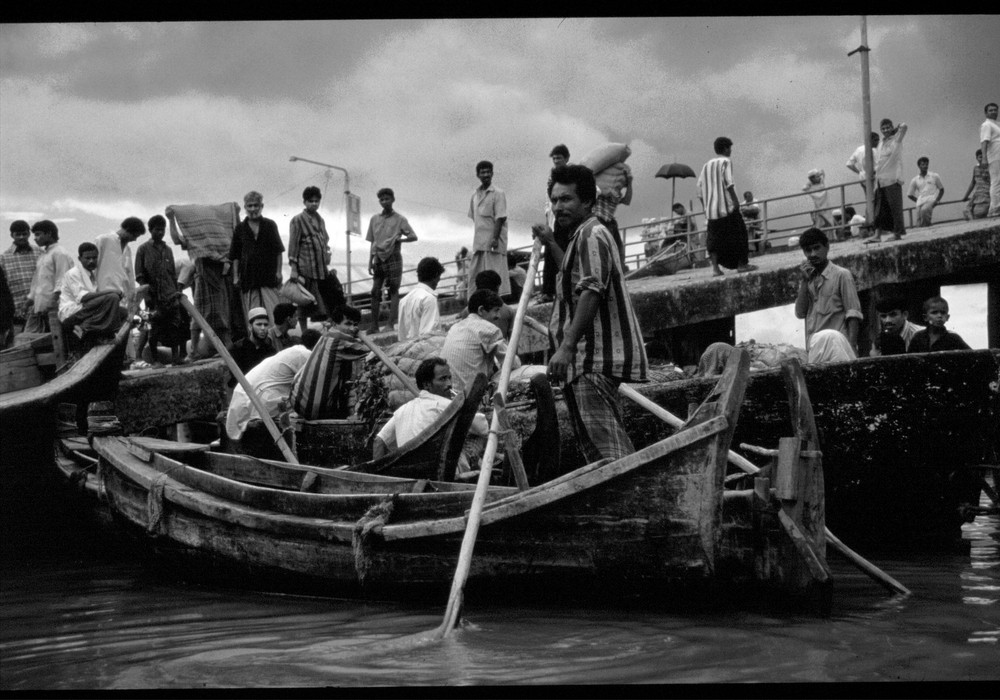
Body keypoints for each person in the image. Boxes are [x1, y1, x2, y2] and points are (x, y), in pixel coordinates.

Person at [535, 163, 648, 464]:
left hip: (591, 360)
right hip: (584, 362)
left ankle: (633, 500)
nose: (559, 207)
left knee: (610, 453)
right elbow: (573, 275)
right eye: (555, 200)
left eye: (567, 199)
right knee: (599, 451)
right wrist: (549, 241)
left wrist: (566, 347)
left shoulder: (591, 234)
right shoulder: (580, 236)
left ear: (587, 201)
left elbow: (591, 289)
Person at [371, 357, 489, 461]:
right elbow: (483, 427)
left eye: (449, 378)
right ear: (427, 385)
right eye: (442, 379)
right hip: (440, 468)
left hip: (408, 471)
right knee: (477, 435)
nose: (449, 384)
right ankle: (474, 468)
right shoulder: (445, 404)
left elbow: (379, 441)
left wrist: (381, 472)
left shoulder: (402, 410)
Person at [224, 328, 321, 442]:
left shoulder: (292, 351)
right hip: (258, 400)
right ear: (317, 346)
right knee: (304, 403)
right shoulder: (306, 355)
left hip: (244, 396)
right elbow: (312, 387)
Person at [288, 305, 368, 420]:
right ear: (335, 324)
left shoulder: (328, 334)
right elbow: (374, 352)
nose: (352, 329)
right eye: (348, 324)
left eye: (355, 325)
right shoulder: (338, 341)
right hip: (313, 407)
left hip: (296, 399)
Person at [794, 227, 863, 355]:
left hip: (837, 348)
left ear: (827, 247)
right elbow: (800, 313)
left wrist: (852, 347)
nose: (813, 254)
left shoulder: (842, 275)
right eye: (808, 250)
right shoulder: (807, 279)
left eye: (817, 248)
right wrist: (804, 281)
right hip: (815, 349)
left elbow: (853, 313)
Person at [697, 137, 756, 276]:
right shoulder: (726, 162)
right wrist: (735, 202)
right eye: (729, 148)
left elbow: (699, 188)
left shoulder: (706, 165)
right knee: (740, 234)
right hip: (726, 207)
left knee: (714, 240)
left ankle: (716, 269)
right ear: (725, 149)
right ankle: (742, 264)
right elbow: (729, 183)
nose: (730, 151)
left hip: (711, 211)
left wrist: (705, 207)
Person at [441, 288, 514, 395]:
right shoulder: (489, 329)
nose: (499, 316)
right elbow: (512, 362)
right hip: (471, 396)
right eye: (496, 310)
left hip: (451, 393)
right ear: (481, 310)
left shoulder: (455, 327)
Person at [134, 215, 186, 364]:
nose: (160, 233)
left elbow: (172, 274)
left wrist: (176, 292)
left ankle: (176, 358)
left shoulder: (168, 250)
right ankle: (155, 360)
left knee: (176, 325)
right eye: (157, 230)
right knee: (153, 328)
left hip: (170, 295)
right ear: (150, 230)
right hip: (153, 296)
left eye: (162, 230)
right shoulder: (143, 249)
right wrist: (147, 294)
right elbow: (139, 274)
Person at [228, 190, 284, 325]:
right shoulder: (240, 229)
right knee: (254, 316)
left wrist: (279, 271)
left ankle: (274, 344)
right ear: (245, 208)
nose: (253, 209)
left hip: (268, 277)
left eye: (255, 205)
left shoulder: (270, 225)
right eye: (250, 206)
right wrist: (236, 276)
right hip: (248, 278)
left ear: (261, 206)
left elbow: (278, 251)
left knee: (272, 314)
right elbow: (235, 255)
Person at [366, 187, 417, 333]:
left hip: (393, 255)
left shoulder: (400, 219)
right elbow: (372, 241)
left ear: (393, 200)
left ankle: (390, 324)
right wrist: (370, 260)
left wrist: (399, 240)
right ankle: (374, 326)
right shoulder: (374, 219)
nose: (384, 201)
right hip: (378, 257)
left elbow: (413, 236)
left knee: (394, 289)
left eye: (387, 198)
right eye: (382, 199)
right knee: (375, 291)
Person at [58, 242, 127, 345]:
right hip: (71, 312)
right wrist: (111, 291)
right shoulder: (74, 273)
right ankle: (94, 331)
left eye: (94, 258)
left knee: (122, 311)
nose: (92, 261)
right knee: (112, 297)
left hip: (85, 309)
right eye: (88, 258)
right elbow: (83, 297)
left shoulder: (91, 274)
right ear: (79, 258)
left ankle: (94, 330)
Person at [457, 269, 548, 342]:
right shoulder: (507, 310)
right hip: (501, 358)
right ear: (497, 289)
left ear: (477, 288)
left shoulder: (467, 311)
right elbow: (513, 341)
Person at [288, 186, 333, 332]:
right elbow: (293, 244)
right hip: (305, 267)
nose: (314, 204)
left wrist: (326, 253)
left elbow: (325, 240)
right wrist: (294, 268)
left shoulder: (321, 220)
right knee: (304, 301)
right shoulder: (297, 220)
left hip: (320, 268)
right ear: (304, 202)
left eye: (316, 201)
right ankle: (304, 332)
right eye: (310, 201)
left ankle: (325, 331)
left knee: (323, 301)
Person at [23, 220, 75, 333]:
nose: (35, 238)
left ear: (49, 234)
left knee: (57, 340)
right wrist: (28, 302)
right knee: (29, 338)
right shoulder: (43, 255)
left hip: (54, 308)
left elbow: (63, 280)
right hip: (40, 307)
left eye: (38, 234)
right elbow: (36, 282)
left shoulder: (60, 253)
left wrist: (52, 302)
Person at [467, 160, 510, 297]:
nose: (485, 175)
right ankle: (474, 304)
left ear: (492, 174)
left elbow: (500, 217)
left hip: (493, 242)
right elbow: (475, 217)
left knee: (494, 276)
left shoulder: (498, 193)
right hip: (479, 242)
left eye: (488, 172)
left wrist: (495, 238)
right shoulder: (474, 195)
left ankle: (497, 302)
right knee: (476, 276)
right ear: (477, 175)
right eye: (482, 172)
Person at [94, 217, 145, 310]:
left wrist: (132, 296)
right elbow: (92, 268)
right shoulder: (103, 240)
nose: (135, 240)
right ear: (128, 230)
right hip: (101, 295)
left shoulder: (127, 250)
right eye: (134, 236)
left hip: (120, 300)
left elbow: (129, 275)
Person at [541, 144, 571, 301]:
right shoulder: (551, 178)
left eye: (559, 158)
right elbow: (548, 202)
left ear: (566, 158)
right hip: (553, 223)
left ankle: (564, 289)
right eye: (554, 158)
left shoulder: (573, 174)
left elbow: (594, 190)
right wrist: (548, 221)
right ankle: (547, 292)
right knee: (549, 256)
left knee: (563, 255)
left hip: (566, 222)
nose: (556, 161)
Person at [0, 220, 41, 334]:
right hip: (17, 316)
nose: (22, 237)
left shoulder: (40, 253)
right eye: (18, 234)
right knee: (19, 347)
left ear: (29, 234)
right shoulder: (4, 258)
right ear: (12, 235)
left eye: (24, 233)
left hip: (40, 313)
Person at [591, 158, 631, 267]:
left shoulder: (616, 192)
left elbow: (627, 201)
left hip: (610, 222)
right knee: (605, 252)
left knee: (618, 251)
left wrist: (630, 182)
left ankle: (618, 273)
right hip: (599, 220)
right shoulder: (597, 187)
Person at [872, 118, 908, 240]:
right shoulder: (881, 143)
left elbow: (904, 126)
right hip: (881, 181)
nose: (886, 130)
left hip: (893, 180)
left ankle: (897, 234)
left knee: (895, 209)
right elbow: (879, 161)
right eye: (883, 128)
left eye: (888, 127)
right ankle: (877, 235)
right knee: (879, 210)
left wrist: (896, 130)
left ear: (892, 127)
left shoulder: (896, 140)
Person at [396, 256, 444, 342]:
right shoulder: (429, 298)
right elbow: (429, 335)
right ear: (436, 275)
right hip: (423, 350)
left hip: (405, 349)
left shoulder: (403, 300)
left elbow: (401, 334)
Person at [228, 306, 275, 387]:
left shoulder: (270, 351)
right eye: (259, 324)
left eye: (265, 325)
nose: (263, 328)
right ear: (250, 327)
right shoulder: (237, 349)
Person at [908, 296, 972, 353]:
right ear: (925, 317)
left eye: (943, 313)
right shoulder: (918, 337)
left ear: (947, 317)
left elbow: (972, 356)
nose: (939, 316)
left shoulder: (953, 339)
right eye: (934, 312)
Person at [906, 157, 945, 227]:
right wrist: (917, 200)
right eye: (923, 164)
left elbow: (941, 189)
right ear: (919, 166)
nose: (925, 166)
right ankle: (924, 229)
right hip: (920, 201)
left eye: (926, 164)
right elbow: (909, 194)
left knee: (924, 210)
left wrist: (937, 200)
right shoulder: (915, 179)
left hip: (931, 199)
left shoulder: (934, 176)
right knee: (919, 220)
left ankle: (927, 228)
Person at [979, 102, 1000, 217]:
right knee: (996, 181)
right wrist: (984, 159)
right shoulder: (986, 125)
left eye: (995, 110)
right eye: (991, 110)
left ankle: (996, 207)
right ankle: (995, 209)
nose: (994, 112)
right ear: (986, 113)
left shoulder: (997, 124)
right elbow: (984, 142)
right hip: (994, 156)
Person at [846, 131, 880, 195]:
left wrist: (859, 172)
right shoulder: (874, 150)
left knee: (868, 199)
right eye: (876, 140)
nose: (877, 142)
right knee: (876, 199)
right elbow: (878, 165)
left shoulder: (859, 149)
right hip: (874, 177)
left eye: (878, 140)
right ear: (870, 140)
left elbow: (849, 164)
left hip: (863, 177)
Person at [962, 149, 992, 220]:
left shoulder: (991, 168)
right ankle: (973, 225)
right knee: (966, 211)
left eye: (984, 157)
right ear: (977, 158)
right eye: (980, 157)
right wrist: (966, 196)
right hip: (977, 194)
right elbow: (972, 183)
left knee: (979, 213)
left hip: (986, 195)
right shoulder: (975, 168)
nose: (982, 159)